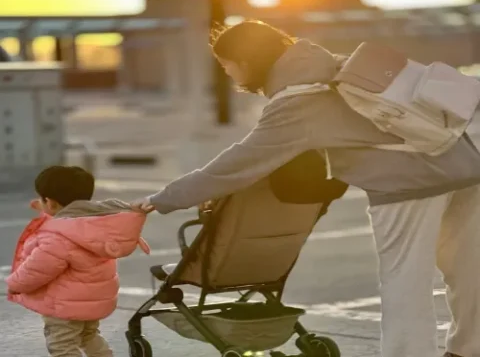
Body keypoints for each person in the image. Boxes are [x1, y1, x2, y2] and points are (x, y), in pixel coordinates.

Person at [131, 20, 480, 357]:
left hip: (408, 185)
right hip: (464, 166)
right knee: (468, 273)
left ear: (246, 62)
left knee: (404, 282)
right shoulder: (336, 65)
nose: (228, 74)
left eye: (227, 66)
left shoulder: (298, 100)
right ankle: (469, 349)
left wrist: (162, 199)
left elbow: (238, 164)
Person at [7, 166, 149, 357]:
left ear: (50, 202)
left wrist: (15, 284)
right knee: (88, 336)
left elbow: (37, 269)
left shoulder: (58, 235)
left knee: (62, 346)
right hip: (92, 301)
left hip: (64, 306)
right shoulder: (96, 224)